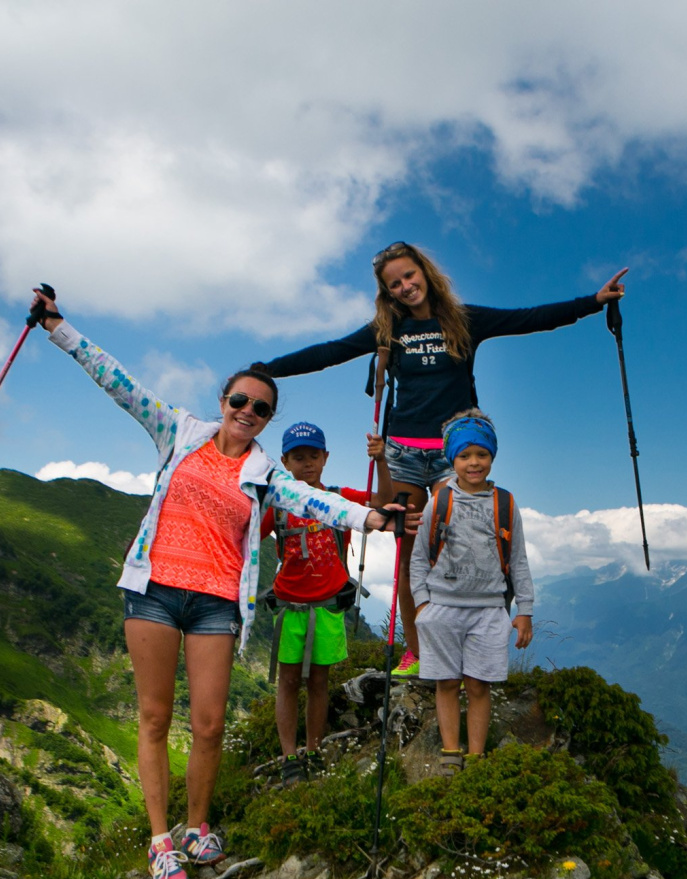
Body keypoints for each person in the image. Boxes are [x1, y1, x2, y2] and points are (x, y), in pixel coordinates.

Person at [33, 290, 406, 879]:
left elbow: (317, 501)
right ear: (223, 401)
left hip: (215, 602)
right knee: (155, 718)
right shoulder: (178, 432)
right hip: (152, 590)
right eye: (240, 400)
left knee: (207, 725)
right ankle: (161, 842)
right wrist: (58, 327)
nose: (248, 411)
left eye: (260, 407)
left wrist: (372, 519)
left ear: (267, 418)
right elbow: (119, 383)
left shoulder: (267, 472)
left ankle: (197, 825)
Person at [261, 242, 623, 678]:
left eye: (409, 276)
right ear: (387, 292)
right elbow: (330, 352)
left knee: (457, 546)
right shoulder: (387, 328)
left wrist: (592, 302)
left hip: (454, 453)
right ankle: (418, 653)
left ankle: (465, 644)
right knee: (411, 554)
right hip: (404, 455)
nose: (405, 286)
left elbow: (528, 319)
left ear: (425, 273)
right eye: (394, 283)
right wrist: (267, 370)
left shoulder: (463, 320)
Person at [409, 410, 534, 777]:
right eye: (464, 456)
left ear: (492, 456)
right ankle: (451, 752)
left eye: (481, 454)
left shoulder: (506, 505)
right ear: (452, 459)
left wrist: (524, 609)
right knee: (447, 682)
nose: (473, 463)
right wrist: (423, 605)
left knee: (479, 684)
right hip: (442, 606)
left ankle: (476, 757)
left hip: (489, 610)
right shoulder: (440, 502)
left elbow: (519, 560)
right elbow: (419, 558)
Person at [262, 422, 377, 781]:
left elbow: (382, 497)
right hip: (291, 608)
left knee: (318, 683)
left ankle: (312, 750)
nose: (307, 463)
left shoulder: (340, 498)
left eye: (314, 455)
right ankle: (288, 758)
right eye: (299, 457)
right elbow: (245, 533)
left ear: (325, 458)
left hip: (327, 607)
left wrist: (382, 459)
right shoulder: (277, 504)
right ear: (285, 461)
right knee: (288, 683)